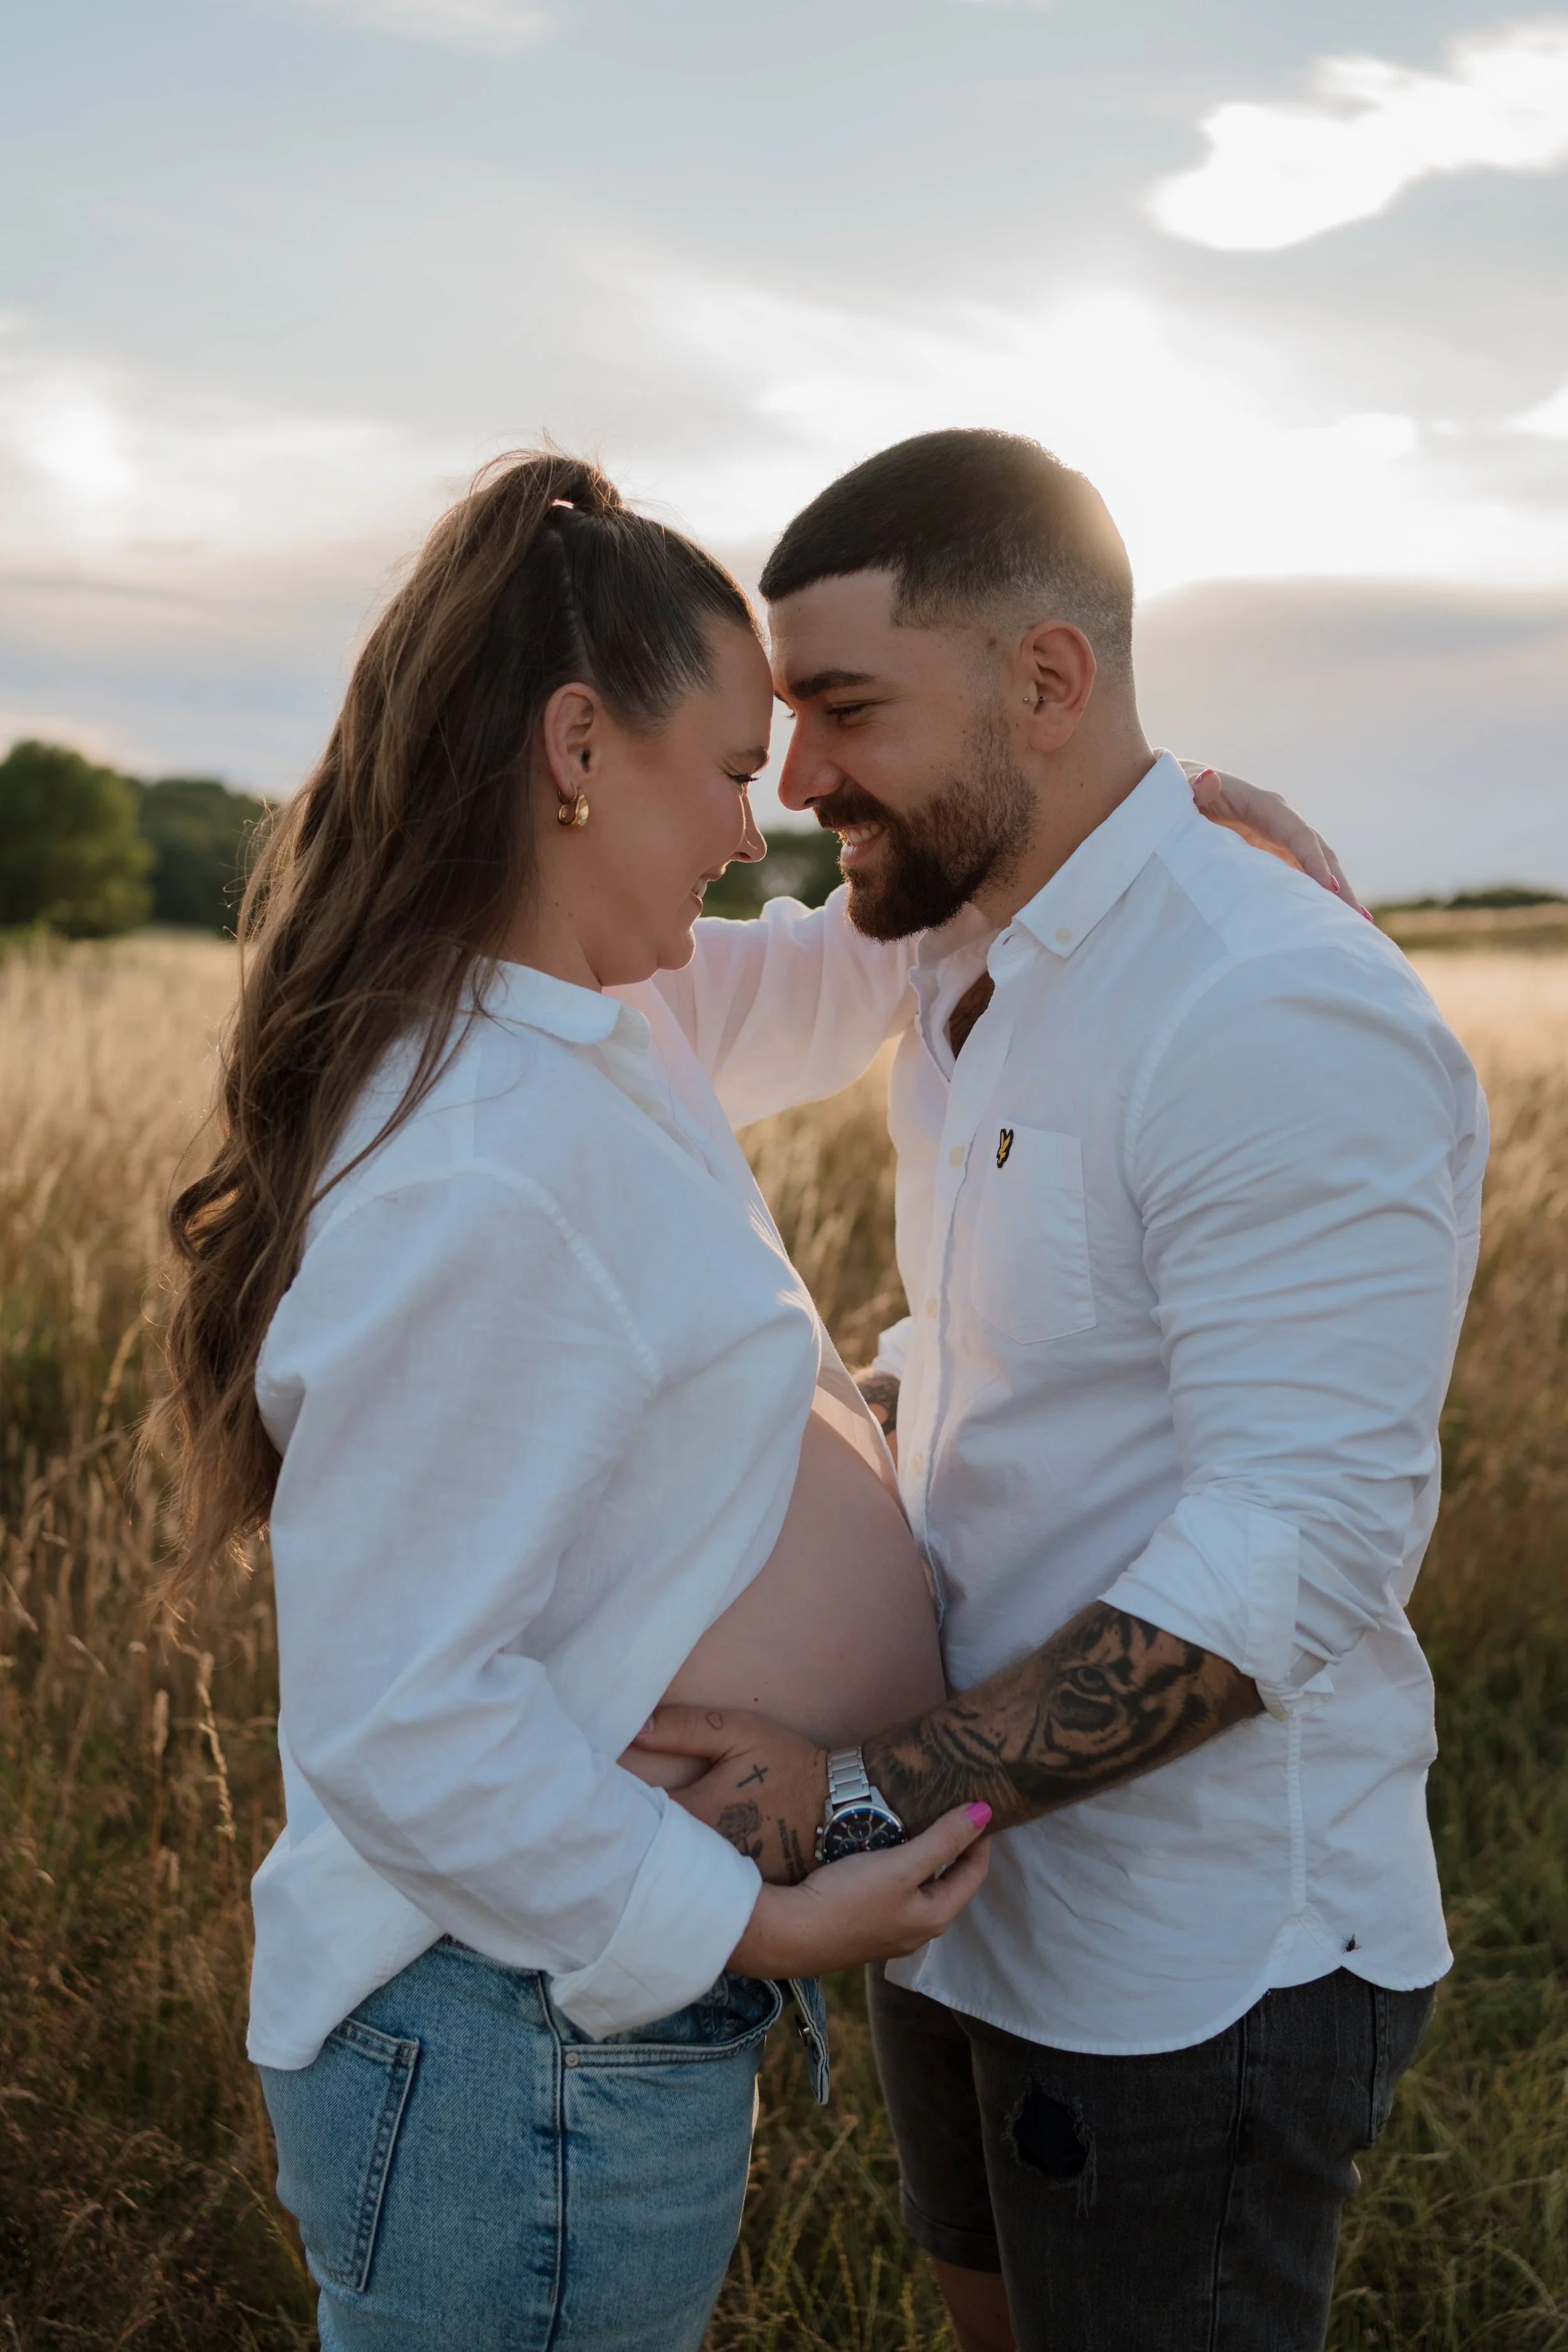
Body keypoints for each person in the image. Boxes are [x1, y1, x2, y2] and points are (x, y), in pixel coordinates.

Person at [635, 429, 1488, 2352]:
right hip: (966, 1901)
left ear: (1045, 682)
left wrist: (858, 1799)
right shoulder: (953, 933)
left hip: (1182, 1951)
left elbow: (1300, 1547)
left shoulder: (1268, 1004)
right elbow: (621, 998)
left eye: (844, 708)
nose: (797, 780)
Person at [160, 450, 995, 2352]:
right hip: (506, 2039)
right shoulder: (481, 1156)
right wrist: (757, 1928)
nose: (751, 823)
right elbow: (397, 1713)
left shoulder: (591, 1015)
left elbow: (855, 957)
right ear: (574, 747)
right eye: (723, 760)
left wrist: (1142, 825)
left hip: (539, 2024)